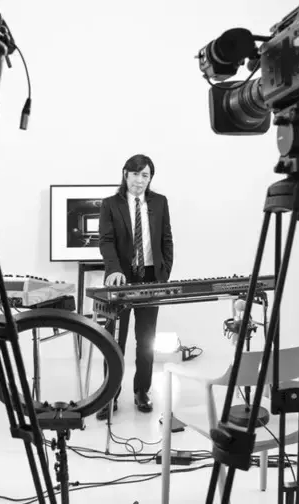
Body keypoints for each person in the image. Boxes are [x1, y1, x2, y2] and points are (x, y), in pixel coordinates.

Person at [96, 154, 174, 420]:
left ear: (150, 178)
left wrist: (163, 274)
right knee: (114, 340)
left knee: (146, 338)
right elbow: (106, 241)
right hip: (121, 277)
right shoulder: (110, 204)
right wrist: (114, 269)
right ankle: (110, 395)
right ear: (125, 174)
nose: (140, 180)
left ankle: (142, 391)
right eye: (135, 174)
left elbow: (166, 239)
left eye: (145, 175)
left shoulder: (160, 202)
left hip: (151, 277)